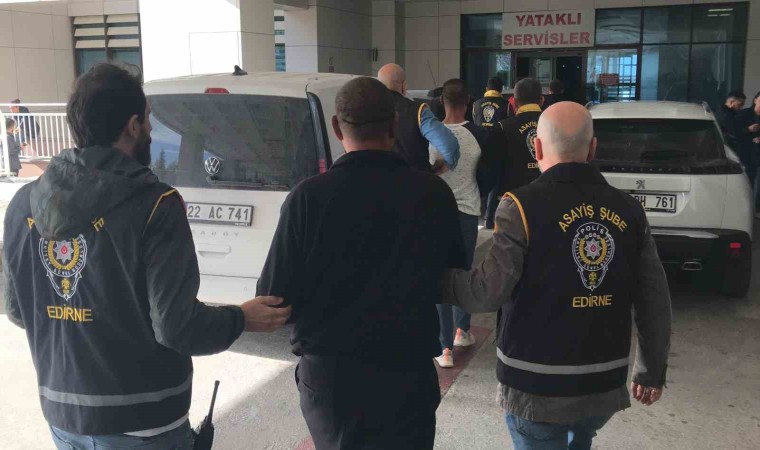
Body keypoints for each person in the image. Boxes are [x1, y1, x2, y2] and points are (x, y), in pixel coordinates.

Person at [3, 63, 291, 450]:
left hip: (63, 417)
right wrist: (241, 318)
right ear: (133, 125)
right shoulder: (156, 205)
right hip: (145, 422)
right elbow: (177, 327)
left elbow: (18, 310)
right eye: (149, 119)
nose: (152, 130)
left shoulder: (23, 203)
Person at [444, 101, 672, 450]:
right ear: (592, 149)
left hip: (535, 384)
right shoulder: (630, 210)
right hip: (603, 382)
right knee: (582, 437)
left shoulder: (519, 206)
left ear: (536, 147)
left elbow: (488, 291)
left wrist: (439, 281)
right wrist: (651, 370)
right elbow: (653, 299)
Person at [256, 77, 466, 450]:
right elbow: (453, 276)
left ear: (337, 128)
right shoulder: (433, 194)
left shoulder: (308, 199)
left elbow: (273, 298)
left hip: (332, 379)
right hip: (407, 370)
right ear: (394, 125)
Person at [429, 79, 485, 368]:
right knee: (463, 273)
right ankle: (463, 330)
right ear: (468, 102)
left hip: (437, 212)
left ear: (442, 101)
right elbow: (487, 172)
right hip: (467, 211)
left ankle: (444, 348)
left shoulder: (430, 134)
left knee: (440, 275)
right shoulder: (478, 135)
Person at [485, 77, 544, 230]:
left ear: (514, 102)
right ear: (542, 100)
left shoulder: (502, 128)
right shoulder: (554, 126)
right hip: (546, 201)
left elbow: (492, 170)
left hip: (512, 204)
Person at [377, 63, 460, 172]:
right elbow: (449, 145)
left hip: (379, 179)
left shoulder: (367, 111)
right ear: (404, 86)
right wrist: (446, 165)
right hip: (415, 179)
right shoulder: (418, 111)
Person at [736, 91, 760, 213]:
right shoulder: (744, 114)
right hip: (746, 154)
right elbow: (735, 133)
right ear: (755, 100)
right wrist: (748, 129)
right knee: (747, 183)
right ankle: (745, 209)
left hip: (758, 155)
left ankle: (756, 209)